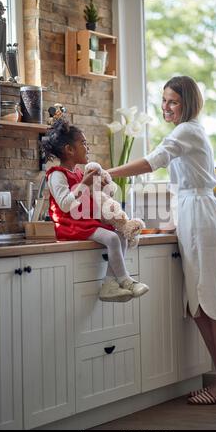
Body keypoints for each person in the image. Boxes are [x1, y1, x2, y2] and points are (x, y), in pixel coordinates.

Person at [108, 76, 216, 405]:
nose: (166, 107)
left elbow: (152, 162)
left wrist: (108, 172)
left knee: (214, 304)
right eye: (164, 100)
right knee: (198, 307)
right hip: (193, 216)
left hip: (201, 218)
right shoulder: (186, 132)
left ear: (188, 103)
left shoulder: (187, 131)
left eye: (173, 101)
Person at [42, 119, 149, 303]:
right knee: (113, 238)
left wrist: (101, 186)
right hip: (69, 225)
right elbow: (65, 205)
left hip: (83, 222)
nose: (87, 147)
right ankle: (126, 281)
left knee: (121, 236)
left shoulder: (77, 173)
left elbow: (90, 197)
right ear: (69, 149)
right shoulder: (56, 175)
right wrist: (85, 183)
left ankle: (109, 284)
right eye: (83, 143)